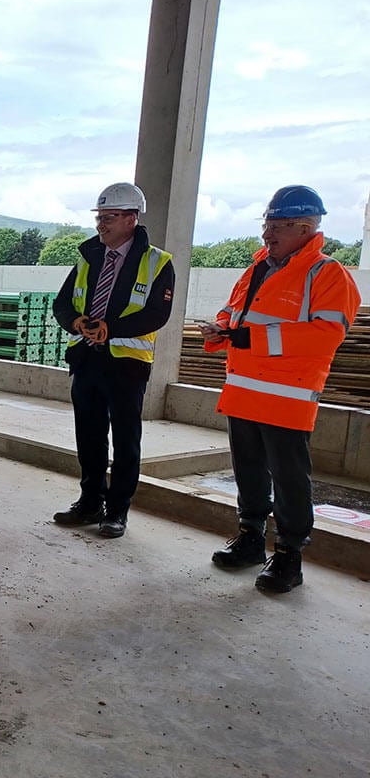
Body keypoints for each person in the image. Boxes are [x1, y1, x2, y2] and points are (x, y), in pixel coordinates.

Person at [201, 185, 361, 592]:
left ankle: (289, 556)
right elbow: (235, 310)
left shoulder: (328, 275)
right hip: (243, 391)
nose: (268, 234)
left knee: (290, 480)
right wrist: (224, 329)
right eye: (267, 225)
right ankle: (251, 538)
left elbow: (325, 335)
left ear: (306, 228)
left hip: (287, 398)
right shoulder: (257, 268)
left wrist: (250, 339)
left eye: (278, 226)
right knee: (249, 472)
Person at [51, 182, 175, 538]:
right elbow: (61, 304)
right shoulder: (88, 257)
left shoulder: (158, 262)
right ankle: (90, 501)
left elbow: (157, 314)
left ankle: (117, 510)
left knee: (124, 440)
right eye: (99, 218)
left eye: (109, 218)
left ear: (132, 219)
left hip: (126, 364)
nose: (101, 225)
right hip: (87, 359)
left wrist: (112, 327)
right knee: (88, 437)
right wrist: (75, 322)